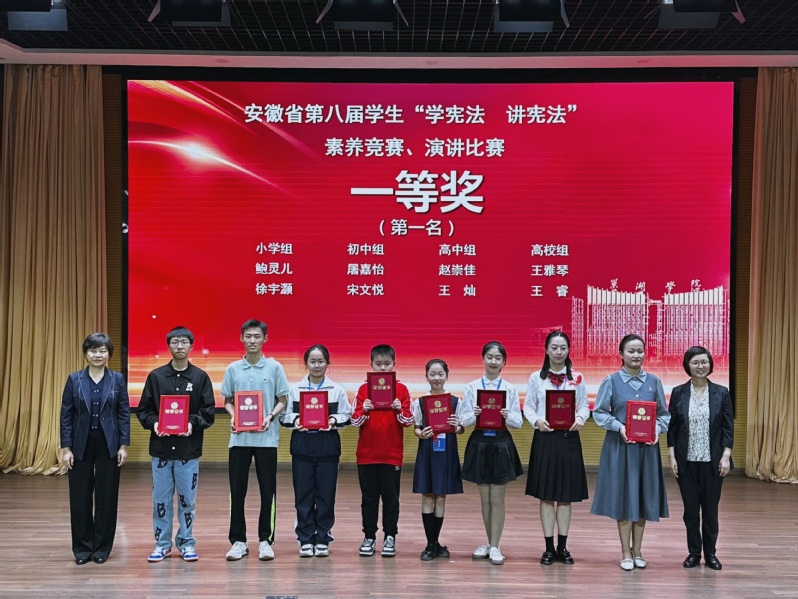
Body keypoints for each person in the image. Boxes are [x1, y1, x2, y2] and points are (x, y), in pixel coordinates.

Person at [591, 334, 670, 571]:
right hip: (620, 448)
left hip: (646, 450)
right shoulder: (611, 381)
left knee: (643, 496)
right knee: (624, 498)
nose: (636, 355)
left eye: (640, 351)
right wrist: (620, 427)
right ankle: (625, 551)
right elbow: (599, 413)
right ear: (621, 354)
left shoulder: (654, 381)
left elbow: (664, 415)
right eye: (631, 351)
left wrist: (657, 429)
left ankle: (638, 550)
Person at [136, 326, 215, 563]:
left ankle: (186, 542)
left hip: (187, 451)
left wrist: (191, 423)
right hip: (161, 450)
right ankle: (162, 544)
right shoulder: (156, 377)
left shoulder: (200, 377)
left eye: (184, 342)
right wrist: (155, 424)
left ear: (191, 346)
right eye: (175, 342)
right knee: (160, 500)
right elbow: (143, 410)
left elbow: (208, 412)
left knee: (187, 501)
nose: (179, 346)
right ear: (168, 345)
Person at [222, 319, 290, 561]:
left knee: (267, 491)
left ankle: (265, 541)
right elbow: (227, 400)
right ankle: (238, 541)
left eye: (257, 336)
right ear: (241, 338)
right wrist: (233, 416)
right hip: (239, 439)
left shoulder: (274, 367)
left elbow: (283, 400)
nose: (252, 340)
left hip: (266, 439)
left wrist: (270, 416)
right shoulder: (233, 369)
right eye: (248, 336)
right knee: (237, 491)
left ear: (265, 339)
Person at [60, 333, 130, 565]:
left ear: (109, 354)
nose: (98, 355)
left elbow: (123, 414)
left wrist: (123, 446)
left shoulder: (117, 379)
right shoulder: (74, 379)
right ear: (85, 353)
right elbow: (66, 415)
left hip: (109, 446)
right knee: (79, 497)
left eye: (102, 351)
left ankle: (102, 548)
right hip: (80, 446)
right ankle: (82, 549)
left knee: (106, 497)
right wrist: (66, 448)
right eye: (93, 350)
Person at [524, 331, 589, 566]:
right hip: (545, 438)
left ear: (568, 350)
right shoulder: (536, 377)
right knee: (546, 496)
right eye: (554, 347)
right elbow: (528, 407)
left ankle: (563, 547)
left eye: (563, 348)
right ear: (546, 350)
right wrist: (536, 421)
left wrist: (581, 418)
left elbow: (584, 406)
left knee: (565, 497)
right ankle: (549, 548)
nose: (559, 352)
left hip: (569, 439)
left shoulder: (577, 377)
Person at [281, 344, 352, 558]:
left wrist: (333, 420)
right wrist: (297, 420)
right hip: (302, 447)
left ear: (328, 364)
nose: (317, 365)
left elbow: (347, 415)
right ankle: (305, 539)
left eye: (321, 361)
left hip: (327, 448)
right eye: (312, 361)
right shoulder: (295, 389)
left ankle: (322, 538)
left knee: (325, 495)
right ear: (306, 364)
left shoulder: (336, 390)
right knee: (303, 495)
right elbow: (284, 416)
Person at [667, 346, 734, 571]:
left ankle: (711, 553)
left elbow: (727, 427)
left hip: (713, 462)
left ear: (710, 364)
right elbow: (672, 429)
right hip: (686, 461)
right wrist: (672, 456)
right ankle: (694, 553)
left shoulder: (721, 392)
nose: (700, 366)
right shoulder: (678, 392)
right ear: (688, 365)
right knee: (690, 511)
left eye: (704, 362)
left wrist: (726, 456)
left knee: (710, 510)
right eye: (695, 362)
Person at [462, 341, 524, 566]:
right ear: (483, 359)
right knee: (485, 498)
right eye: (490, 357)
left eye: (498, 358)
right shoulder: (471, 387)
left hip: (501, 443)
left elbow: (518, 423)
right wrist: (474, 414)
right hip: (479, 442)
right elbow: (463, 421)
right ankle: (490, 543)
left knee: (497, 498)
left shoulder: (510, 389)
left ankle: (496, 546)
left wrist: (508, 415)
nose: (493, 361)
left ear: (504, 362)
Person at [351, 344, 413, 558]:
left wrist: (399, 410)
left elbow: (408, 421)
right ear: (371, 364)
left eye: (387, 364)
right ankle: (369, 536)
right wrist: (364, 410)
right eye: (378, 364)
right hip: (367, 455)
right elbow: (354, 421)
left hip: (391, 454)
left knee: (391, 499)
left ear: (394, 364)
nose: (383, 368)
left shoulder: (402, 390)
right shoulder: (363, 389)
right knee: (369, 499)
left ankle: (390, 536)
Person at [411, 359, 467, 561]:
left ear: (447, 376)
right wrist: (421, 434)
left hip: (446, 451)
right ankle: (430, 544)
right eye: (432, 374)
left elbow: (461, 429)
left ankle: (435, 543)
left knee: (441, 496)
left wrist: (456, 426)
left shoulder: (455, 402)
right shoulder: (420, 402)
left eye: (440, 374)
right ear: (426, 377)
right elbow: (416, 427)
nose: (437, 378)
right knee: (427, 495)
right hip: (427, 449)